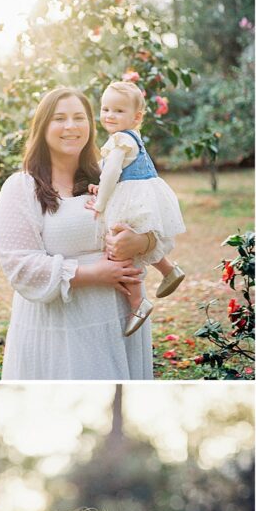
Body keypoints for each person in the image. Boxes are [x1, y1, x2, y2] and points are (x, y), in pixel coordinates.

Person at [0, 87, 171, 380]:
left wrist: (142, 241)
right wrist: (93, 274)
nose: (71, 126)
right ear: (42, 126)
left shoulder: (111, 177)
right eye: (59, 118)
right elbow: (19, 265)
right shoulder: (21, 187)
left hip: (117, 320)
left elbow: (159, 226)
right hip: (58, 328)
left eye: (79, 117)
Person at [91, 80, 187, 335]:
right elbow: (108, 170)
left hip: (130, 198)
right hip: (142, 195)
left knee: (120, 248)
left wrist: (100, 202)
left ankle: (137, 303)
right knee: (132, 242)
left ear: (136, 117)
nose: (109, 115)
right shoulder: (132, 138)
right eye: (105, 109)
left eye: (118, 110)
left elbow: (111, 172)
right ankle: (169, 269)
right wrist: (96, 184)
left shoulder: (120, 139)